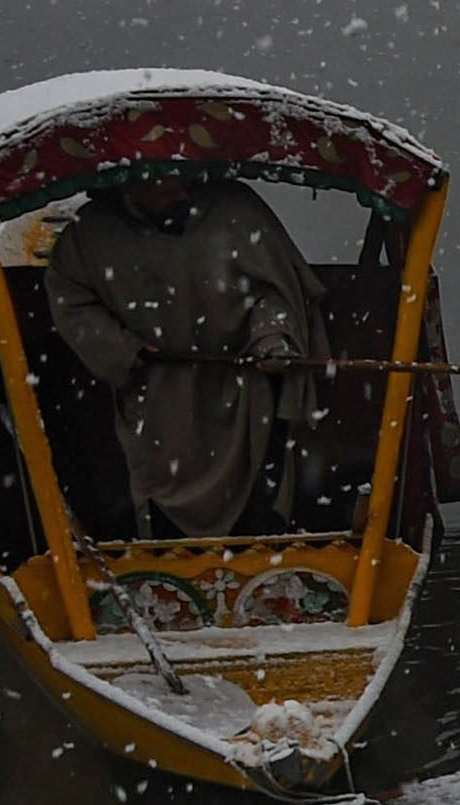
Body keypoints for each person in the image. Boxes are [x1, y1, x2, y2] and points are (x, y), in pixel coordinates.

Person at [39, 169, 329, 537]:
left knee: (256, 493)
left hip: (241, 391)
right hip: (158, 394)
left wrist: (272, 340)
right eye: (164, 180)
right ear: (130, 181)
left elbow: (273, 294)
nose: (181, 190)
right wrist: (121, 348)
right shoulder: (92, 234)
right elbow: (71, 298)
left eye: (184, 176)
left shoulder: (235, 212)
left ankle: (257, 555)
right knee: (160, 489)